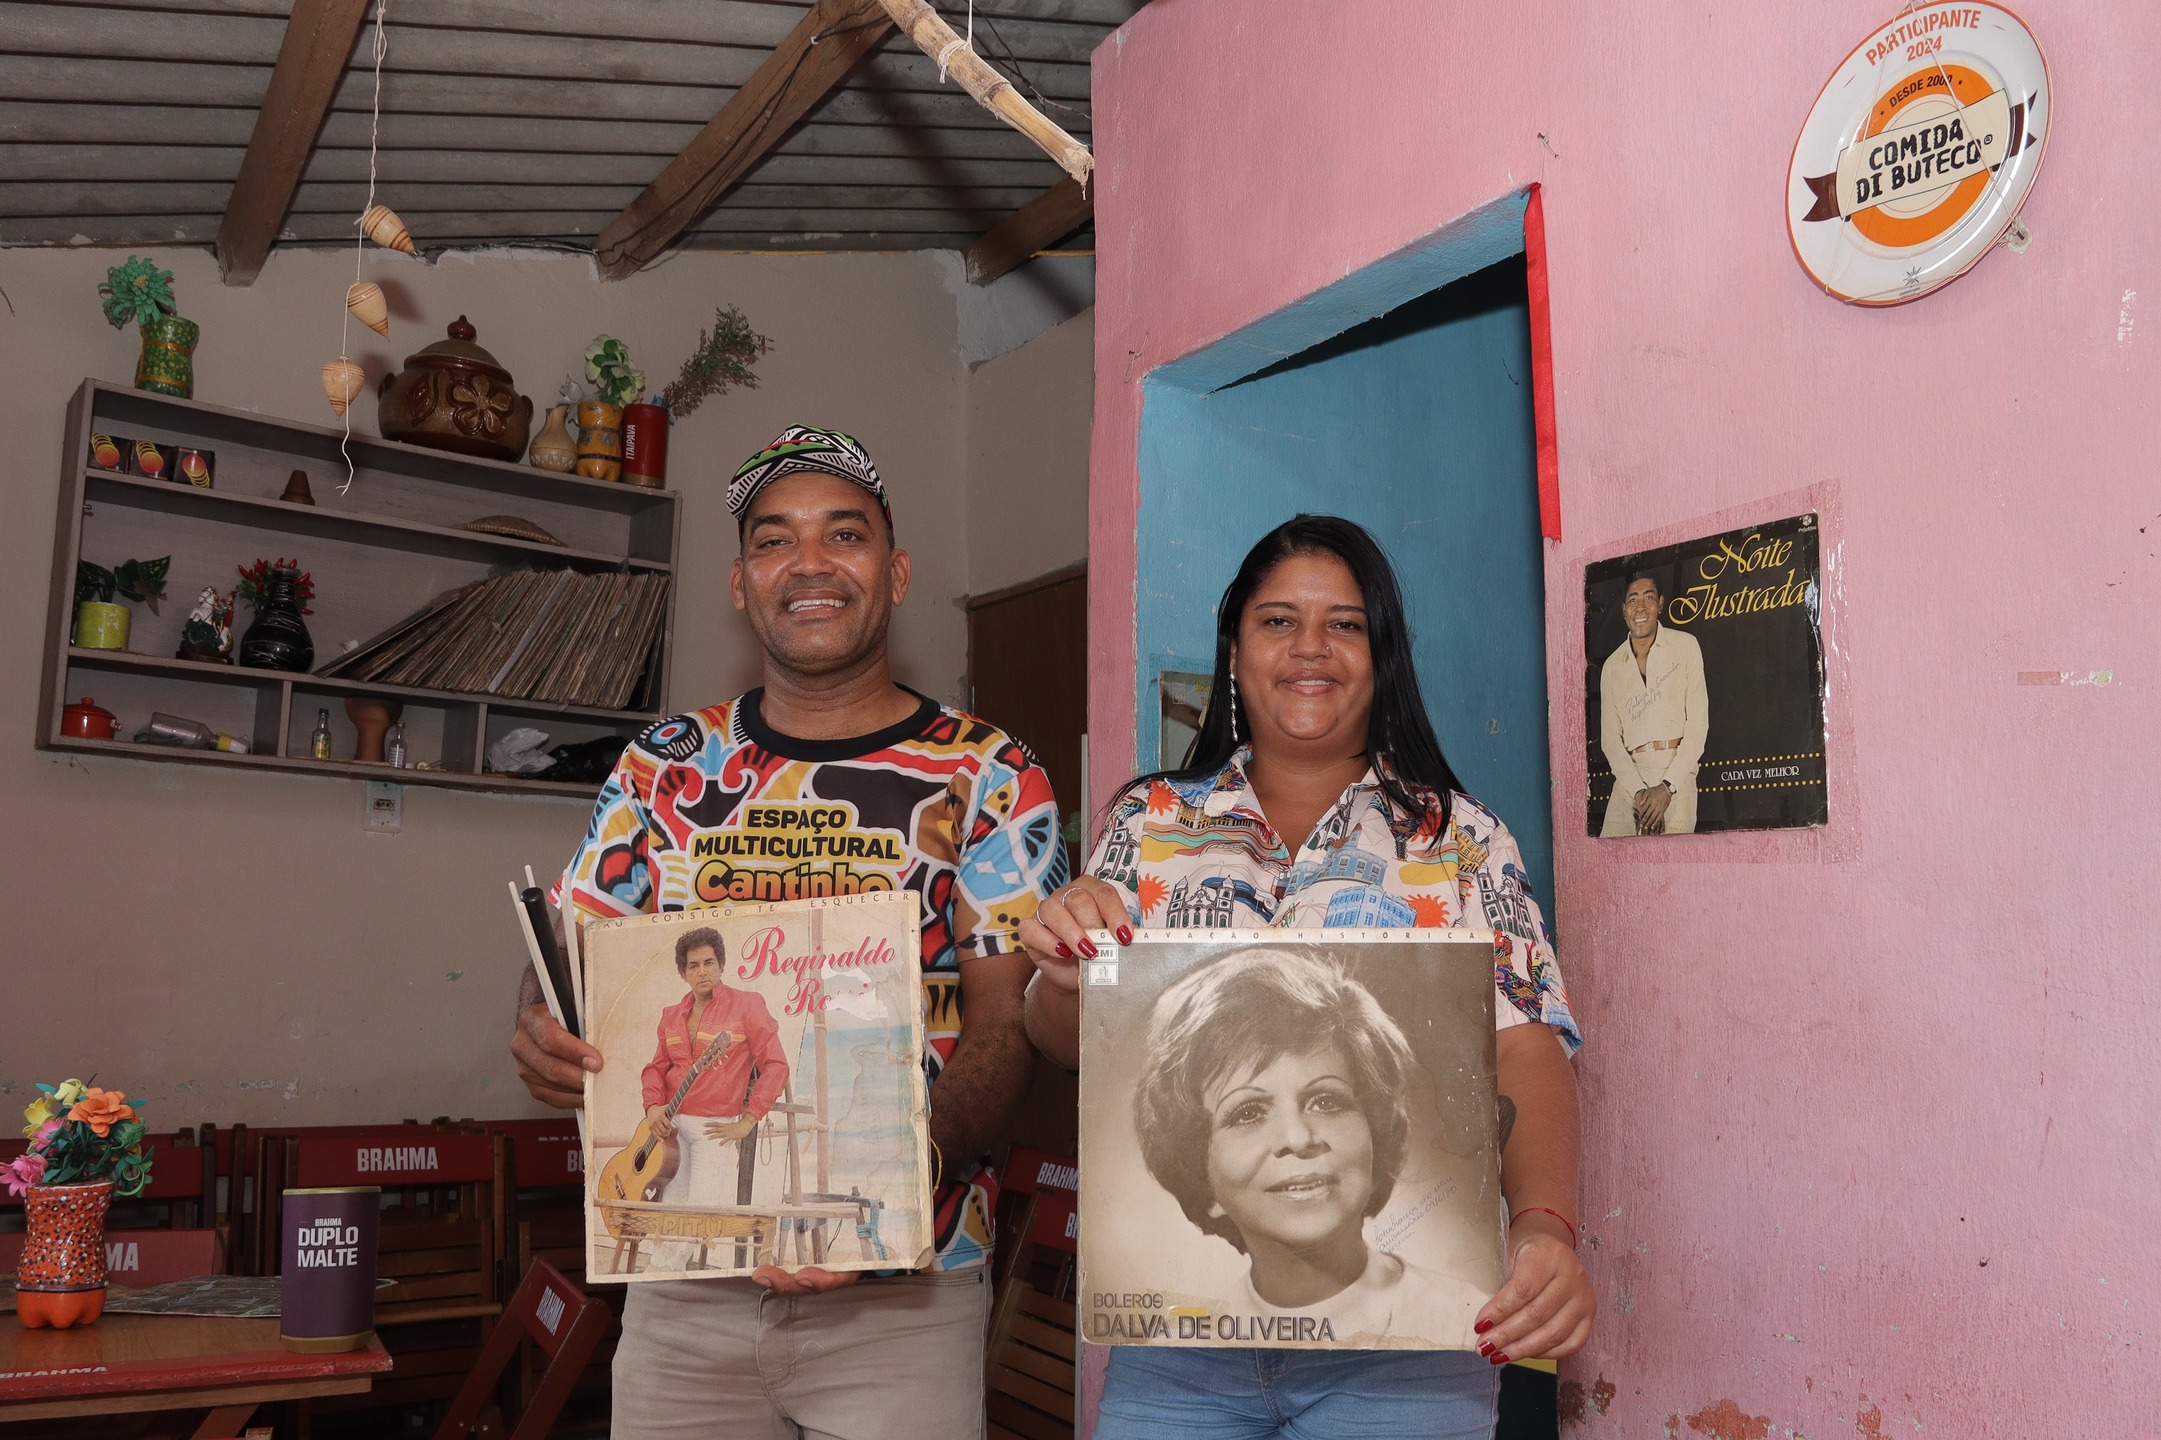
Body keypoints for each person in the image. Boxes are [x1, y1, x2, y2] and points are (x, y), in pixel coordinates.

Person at [509, 424, 1068, 1439]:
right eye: (774, 540)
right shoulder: (663, 768)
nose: (808, 563)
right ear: (740, 582)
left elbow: (1006, 1029)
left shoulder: (991, 773)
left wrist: (889, 1186)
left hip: (907, 1287)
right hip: (686, 1285)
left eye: (842, 535)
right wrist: (548, 1032)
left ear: (892, 572)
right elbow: (573, 961)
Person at [1022, 514, 1593, 1439]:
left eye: (1345, 623)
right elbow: (1065, 1042)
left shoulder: (1460, 839)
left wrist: (1544, 1225)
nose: (1309, 648)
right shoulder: (1148, 822)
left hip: (1406, 1357)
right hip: (1179, 1351)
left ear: (1383, 655)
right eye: (1277, 621)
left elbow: (1525, 1047)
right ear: (1235, 650)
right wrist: (1059, 974)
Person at [1132, 945, 1487, 1343]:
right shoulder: (1183, 1343)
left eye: (1326, 1101)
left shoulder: (1467, 1325)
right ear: (1202, 1178)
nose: (1299, 1139)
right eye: (1248, 1112)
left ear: (1375, 1136)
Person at [636, 926, 788, 1270]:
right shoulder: (671, 1015)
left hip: (713, 1128)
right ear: (683, 972)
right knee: (673, 1208)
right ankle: (663, 1275)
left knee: (699, 1210)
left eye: (708, 963)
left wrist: (748, 1121)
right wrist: (652, 1106)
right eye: (693, 965)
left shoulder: (747, 1006)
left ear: (721, 965)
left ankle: (660, 1273)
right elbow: (655, 1068)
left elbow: (776, 1065)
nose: (702, 971)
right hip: (670, 1128)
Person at [1598, 570, 1708, 836]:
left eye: (1648, 598)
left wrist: (1666, 788)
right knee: (1609, 864)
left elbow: (1697, 726)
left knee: (1673, 867)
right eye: (1633, 600)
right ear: (1624, 610)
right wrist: (1638, 793)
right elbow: (1610, 742)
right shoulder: (1612, 666)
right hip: (1629, 782)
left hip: (1676, 778)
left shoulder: (1686, 647)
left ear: (1660, 603)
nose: (1640, 607)